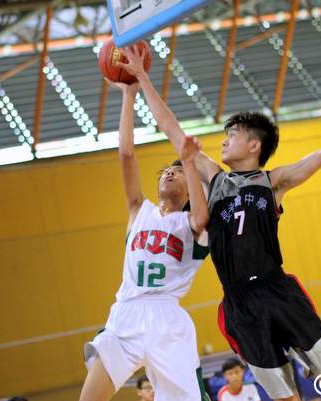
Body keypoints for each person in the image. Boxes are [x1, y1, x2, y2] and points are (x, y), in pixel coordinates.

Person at [117, 45, 321, 401]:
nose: (224, 140)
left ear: (254, 145)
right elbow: (171, 128)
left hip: (278, 291)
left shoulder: (273, 182)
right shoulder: (214, 179)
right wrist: (143, 77)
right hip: (240, 305)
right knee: (287, 398)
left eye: (233, 134)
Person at [79, 79, 210, 401]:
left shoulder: (193, 224)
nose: (169, 172)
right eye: (166, 170)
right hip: (126, 312)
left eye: (176, 172)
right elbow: (126, 155)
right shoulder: (140, 210)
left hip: (167, 319)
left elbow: (202, 218)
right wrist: (128, 94)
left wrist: (189, 162)